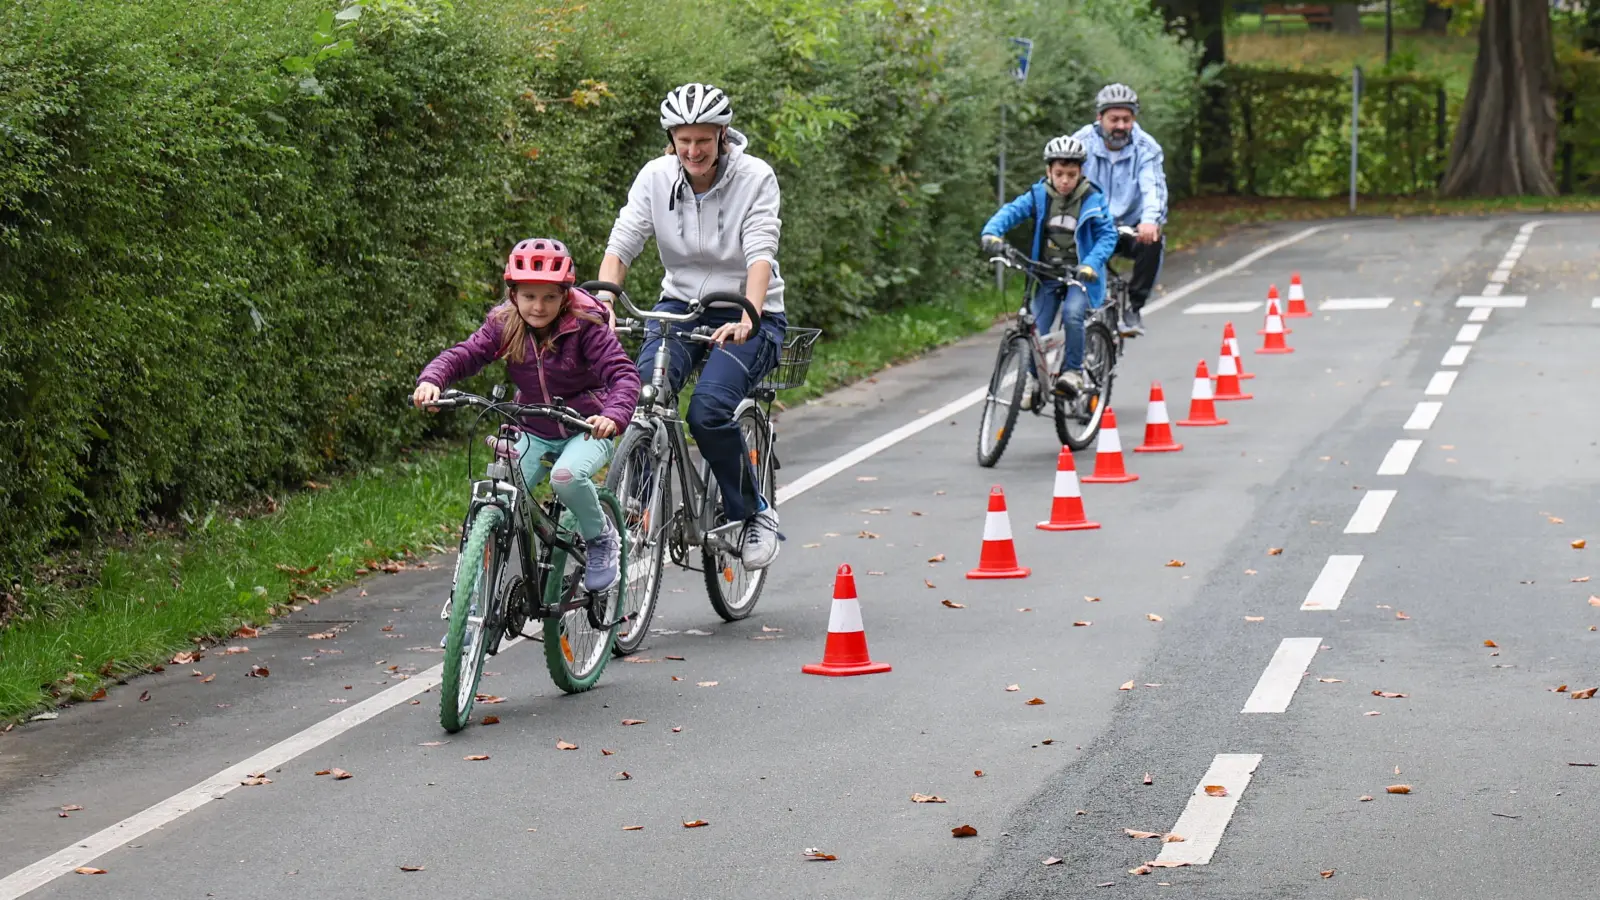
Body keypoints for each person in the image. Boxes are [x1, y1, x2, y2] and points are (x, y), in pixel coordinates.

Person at [594, 83, 787, 570]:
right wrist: (604, 300)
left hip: (746, 308)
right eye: (684, 140)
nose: (694, 151)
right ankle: (634, 503)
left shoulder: (755, 177)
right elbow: (623, 242)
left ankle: (752, 514)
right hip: (679, 305)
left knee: (708, 410)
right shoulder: (656, 177)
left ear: (723, 136)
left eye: (704, 139)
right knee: (641, 394)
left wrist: (751, 314)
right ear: (672, 138)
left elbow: (761, 251)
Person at [414, 238, 641, 593]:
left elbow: (623, 375)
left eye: (550, 297)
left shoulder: (586, 326)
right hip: (533, 425)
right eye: (529, 296)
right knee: (497, 499)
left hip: (585, 426)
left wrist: (612, 415)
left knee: (565, 478)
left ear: (565, 296)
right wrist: (432, 380)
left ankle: (601, 538)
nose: (538, 307)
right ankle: (472, 616)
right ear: (513, 294)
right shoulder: (504, 325)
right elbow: (464, 355)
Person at [981, 135, 1117, 397]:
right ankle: (1031, 380)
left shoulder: (1092, 198)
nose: (1065, 180)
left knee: (1072, 314)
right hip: (1047, 275)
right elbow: (1011, 211)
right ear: (1048, 172)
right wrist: (992, 232)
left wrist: (1091, 264)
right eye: (1059, 173)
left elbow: (1107, 235)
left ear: (1080, 173)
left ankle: (1072, 372)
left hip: (1079, 276)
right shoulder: (1039, 195)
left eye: (1071, 174)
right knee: (1036, 326)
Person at [1071, 83, 1168, 337]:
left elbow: (1154, 188)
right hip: (1093, 226)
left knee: (1153, 242)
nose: (1121, 126)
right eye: (1114, 119)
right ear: (1099, 118)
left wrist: (1149, 221)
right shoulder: (1080, 144)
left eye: (1127, 119)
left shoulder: (1147, 148)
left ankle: (1134, 308)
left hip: (1131, 226)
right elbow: (1065, 184)